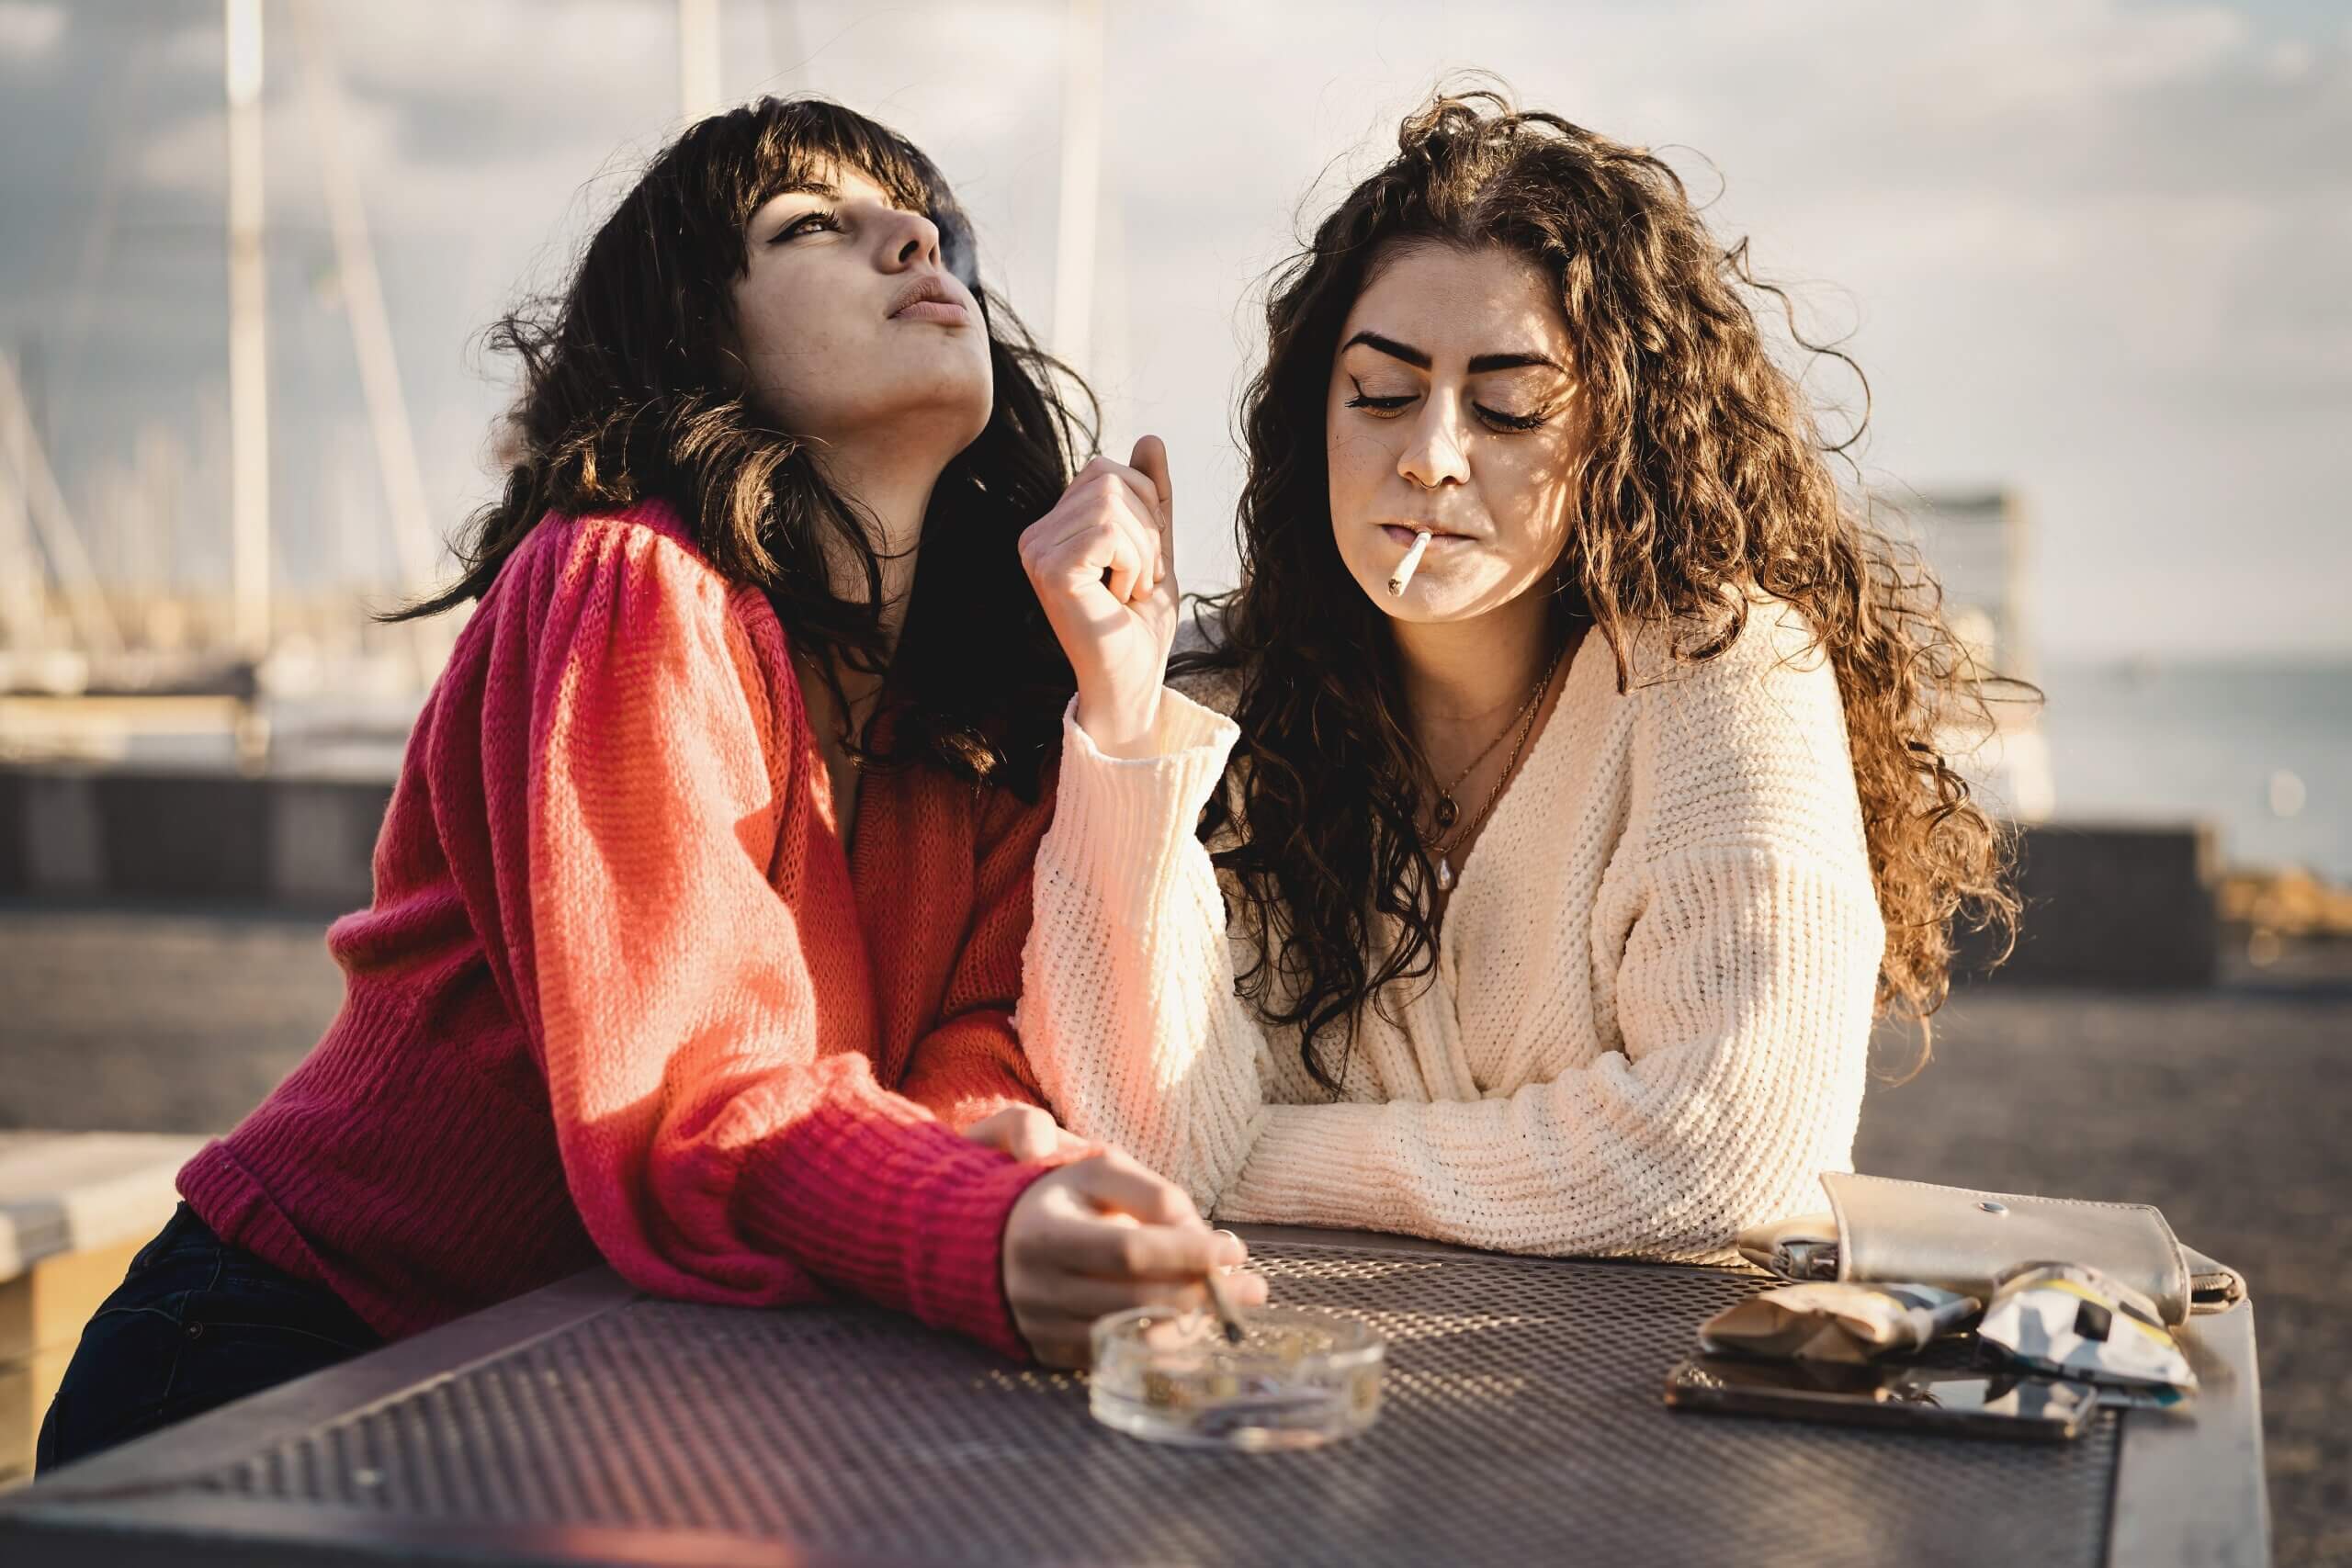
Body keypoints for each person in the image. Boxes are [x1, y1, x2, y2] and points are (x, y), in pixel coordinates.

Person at [39, 96, 1253, 1472]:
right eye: (815, 225)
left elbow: (975, 1037)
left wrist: (1029, 1180)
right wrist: (980, 1228)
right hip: (290, 1351)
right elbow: (699, 1088)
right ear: (699, 334)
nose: (916, 237)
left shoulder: (969, 702)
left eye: (935, 230)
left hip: (600, 1370)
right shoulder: (629, 581)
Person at [1009, 90, 2014, 1260]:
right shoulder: (1219, 708)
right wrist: (1127, 721)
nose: (1431, 455)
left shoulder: (1722, 673)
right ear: (1310, 419)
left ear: (1616, 437)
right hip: (1279, 1380)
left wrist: (1246, 1160)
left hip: (1641, 1407)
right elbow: (1134, 1131)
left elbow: (1737, 1151)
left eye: (1508, 406)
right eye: (1380, 393)